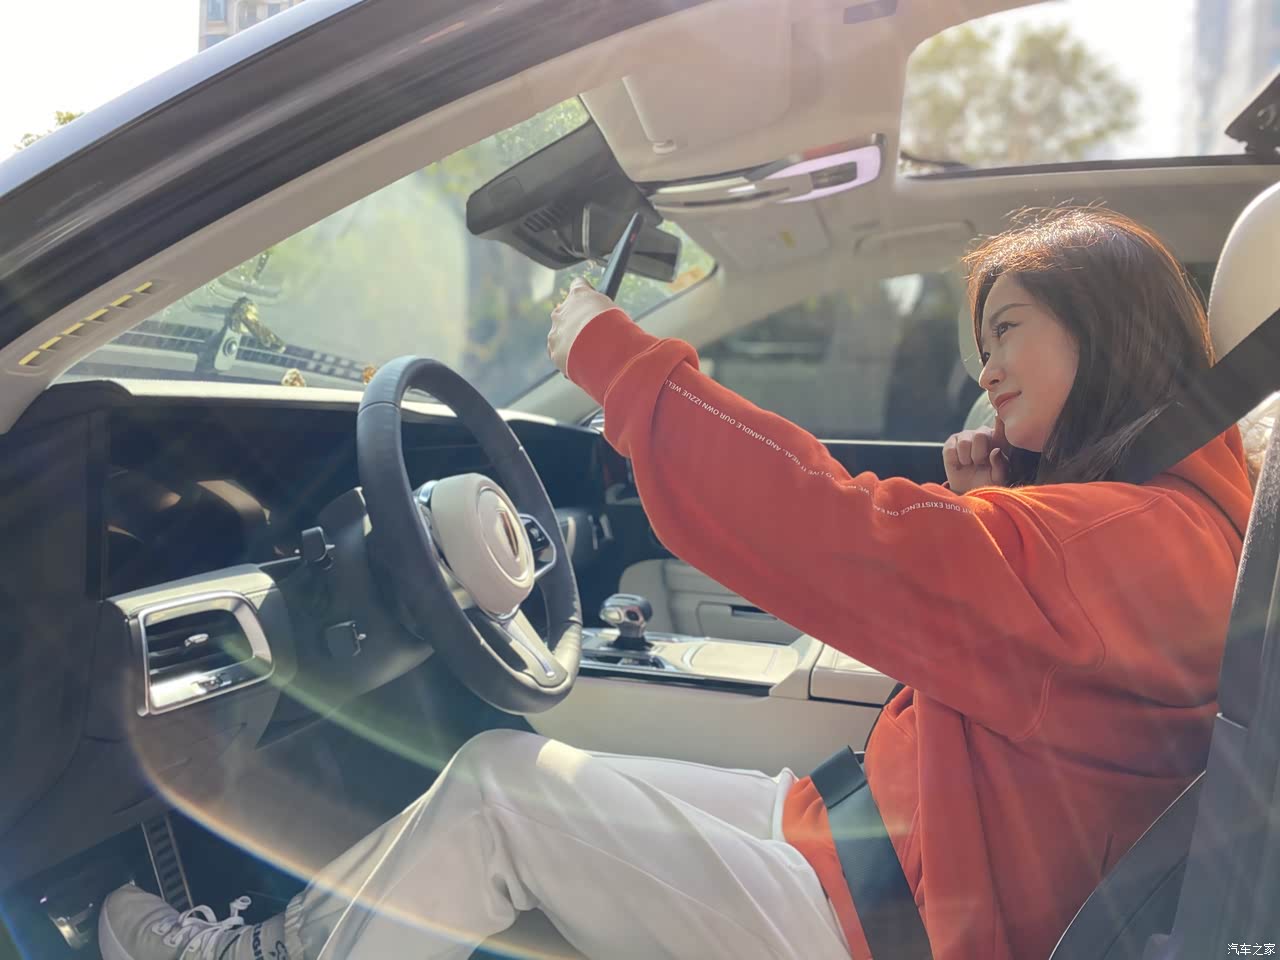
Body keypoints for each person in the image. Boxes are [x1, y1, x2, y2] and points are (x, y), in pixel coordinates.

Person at [100, 206, 1254, 960]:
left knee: (502, 793)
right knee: (516, 772)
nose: (987, 370)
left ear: (1104, 329)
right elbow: (1000, 646)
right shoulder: (1172, 531)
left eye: (1005, 332)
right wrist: (992, 498)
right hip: (882, 852)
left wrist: (619, 361)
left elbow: (830, 529)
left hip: (890, 922)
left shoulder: (1122, 542)